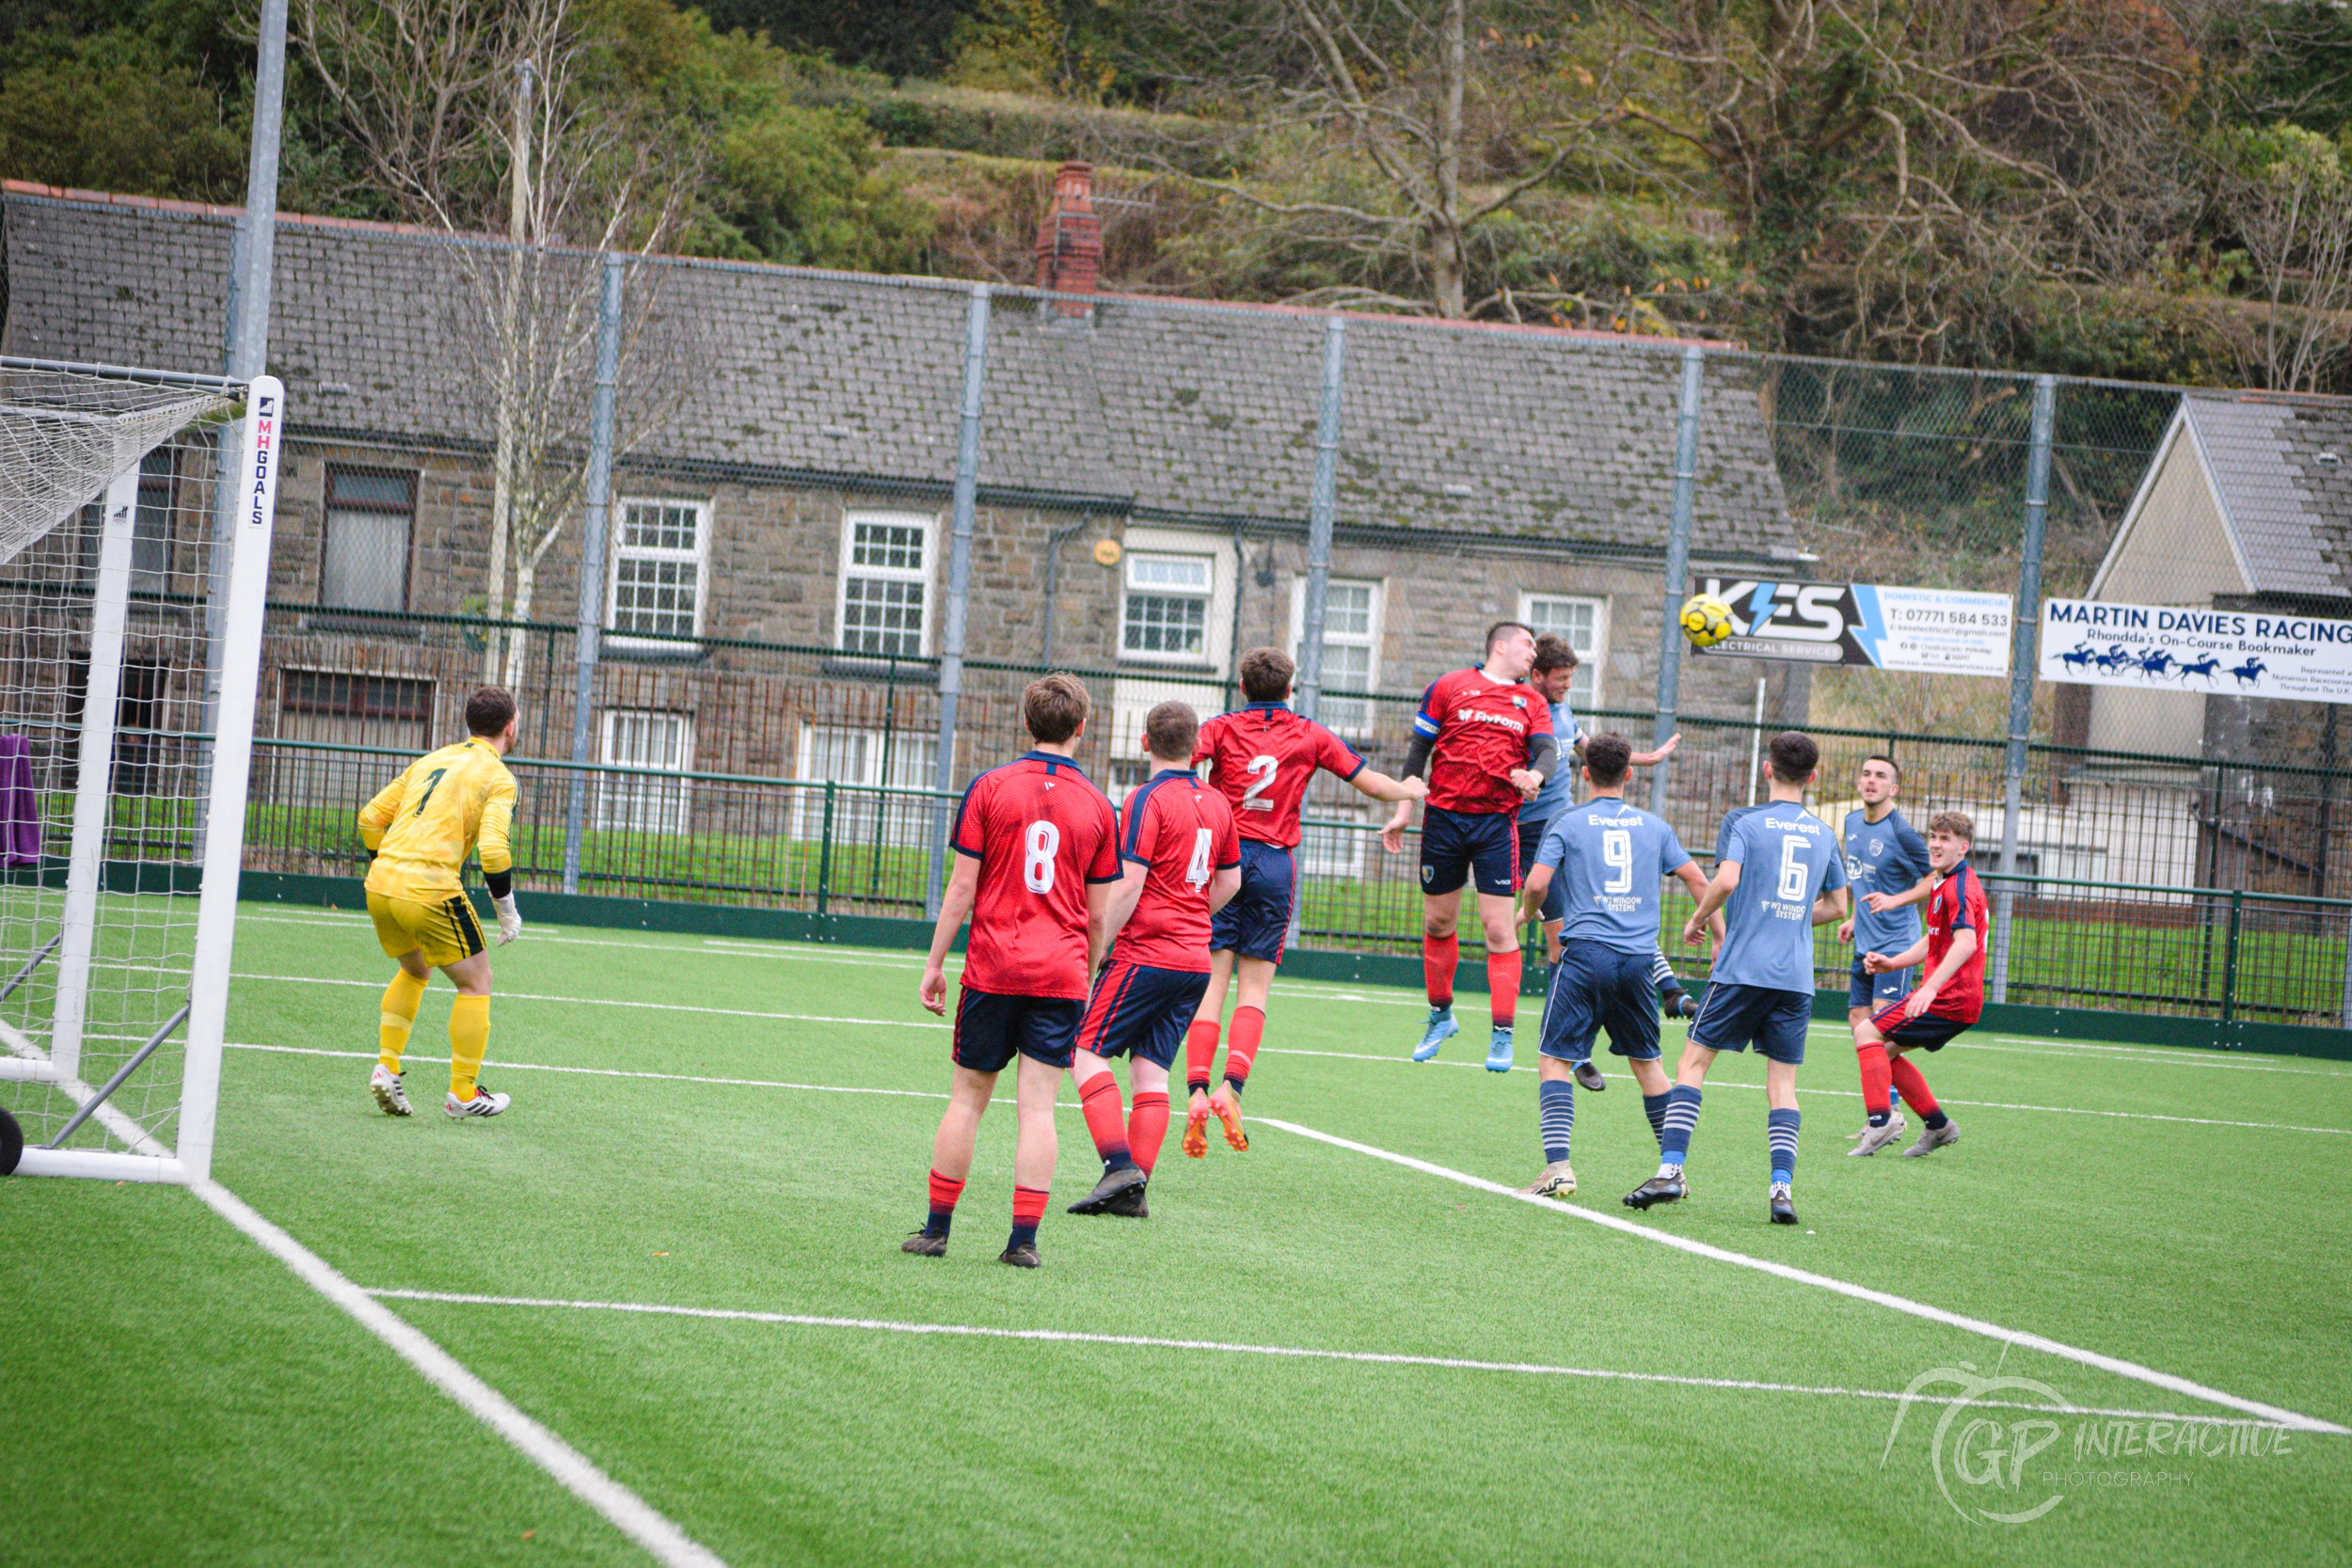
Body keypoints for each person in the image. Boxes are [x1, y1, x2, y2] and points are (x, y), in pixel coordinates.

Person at [907, 674, 1121, 1269]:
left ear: (1027, 724)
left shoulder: (989, 787)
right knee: (1038, 1109)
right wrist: (1088, 969)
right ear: (1082, 727)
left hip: (992, 967)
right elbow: (1098, 914)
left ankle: (936, 1231)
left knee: (968, 1100)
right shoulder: (1101, 806)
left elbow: (960, 889)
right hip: (1060, 973)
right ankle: (1022, 1242)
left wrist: (933, 964)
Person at [1186, 647, 1424, 1155]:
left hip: (1224, 862)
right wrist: (1410, 788)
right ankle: (1234, 1088)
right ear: (1290, 689)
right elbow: (1372, 784)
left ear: (1243, 687)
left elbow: (1177, 764)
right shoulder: (1309, 733)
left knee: (1212, 982)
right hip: (1274, 864)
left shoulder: (1220, 727)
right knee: (1254, 989)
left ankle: (1198, 1091)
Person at [1626, 731, 1849, 1226]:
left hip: (1743, 969)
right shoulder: (1824, 834)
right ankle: (1781, 1190)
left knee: (1692, 1063)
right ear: (1813, 777)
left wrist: (1699, 919)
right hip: (1795, 977)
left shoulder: (1744, 821)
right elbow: (1837, 906)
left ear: (1766, 770)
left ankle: (1671, 1170)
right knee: (1783, 1085)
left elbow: (1725, 880)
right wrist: (1788, 917)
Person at [1514, 734, 1713, 1197]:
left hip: (1585, 955)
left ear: (1584, 774)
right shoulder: (1655, 826)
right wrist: (1711, 929)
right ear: (1629, 774)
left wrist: (1528, 910)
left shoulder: (1568, 820)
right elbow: (1697, 878)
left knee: (1553, 1060)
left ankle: (1559, 1168)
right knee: (1649, 1066)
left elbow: (1539, 881)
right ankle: (1672, 1171)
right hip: (1639, 961)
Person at [1067, 703, 1242, 1217]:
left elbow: (1130, 884)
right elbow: (1230, 880)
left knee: (1085, 1052)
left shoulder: (1145, 799)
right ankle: (1133, 1194)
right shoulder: (1217, 802)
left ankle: (1119, 1165)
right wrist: (1191, 911)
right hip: (1194, 959)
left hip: (1148, 951)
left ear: (1145, 744)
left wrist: (1097, 948)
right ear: (1196, 749)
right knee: (1151, 1071)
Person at [1380, 621, 1557, 1073]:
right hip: (1442, 819)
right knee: (1439, 923)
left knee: (1499, 930)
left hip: (1496, 824)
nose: (1533, 652)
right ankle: (1441, 1017)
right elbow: (1419, 749)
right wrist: (1403, 808)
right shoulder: (1449, 685)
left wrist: (1533, 777)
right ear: (1500, 645)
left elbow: (1546, 753)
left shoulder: (1533, 701)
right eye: (1526, 643)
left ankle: (1502, 1035)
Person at [1519, 635, 1692, 1081]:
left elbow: (1590, 749)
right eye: (1560, 680)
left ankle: (1660, 995)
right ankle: (1571, 1050)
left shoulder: (1562, 711)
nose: (1566, 687)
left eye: (1570, 680)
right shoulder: (1519, 709)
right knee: (1564, 944)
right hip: (1533, 832)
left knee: (1614, 916)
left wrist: (1644, 758)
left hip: (1572, 830)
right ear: (1536, 675)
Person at [360, 686, 526, 1121]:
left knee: (414, 970)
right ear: (511, 727)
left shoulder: (432, 759)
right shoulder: (499, 777)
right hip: (430, 887)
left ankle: (387, 1065)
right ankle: (463, 1093)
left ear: (469, 725)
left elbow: (370, 818)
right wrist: (507, 912)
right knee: (477, 981)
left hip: (380, 885)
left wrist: (389, 863)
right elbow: (493, 851)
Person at [1849, 811, 1981, 1159]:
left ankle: (1880, 1122)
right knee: (1885, 1052)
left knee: (1866, 1033)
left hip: (1951, 999)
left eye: (1945, 839)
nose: (1936, 845)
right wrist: (1893, 962)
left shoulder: (1961, 887)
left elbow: (1966, 943)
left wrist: (1930, 989)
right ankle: (1939, 1126)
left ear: (1963, 847)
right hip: (1954, 1000)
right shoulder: (1942, 880)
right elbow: (1934, 940)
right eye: (1933, 837)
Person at [1836, 755, 1933, 1143]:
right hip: (1866, 943)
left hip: (1896, 946)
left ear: (1894, 789)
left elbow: (1933, 881)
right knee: (1860, 1023)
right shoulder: (1851, 822)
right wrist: (1854, 919)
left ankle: (1892, 1115)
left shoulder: (1903, 833)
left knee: (1880, 1031)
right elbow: (1863, 880)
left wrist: (1896, 901)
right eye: (1865, 774)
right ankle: (1888, 1113)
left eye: (1880, 776)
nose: (1870, 780)